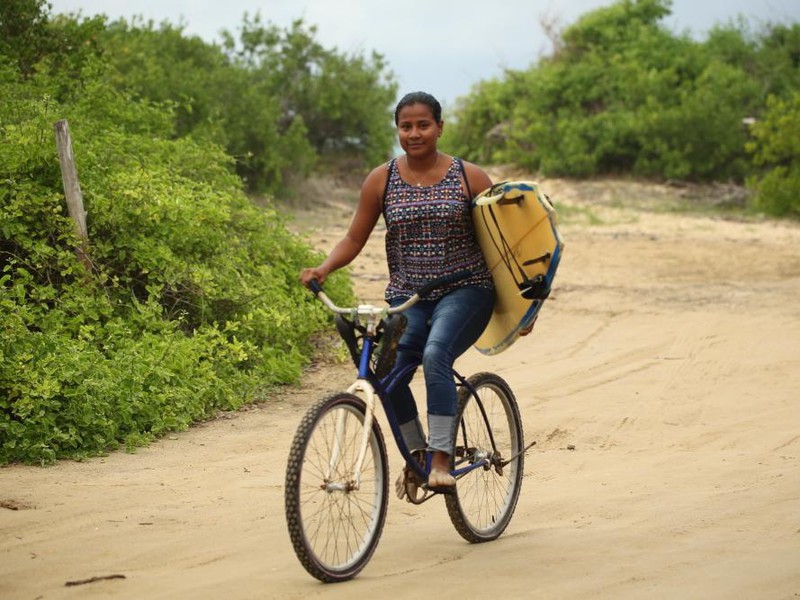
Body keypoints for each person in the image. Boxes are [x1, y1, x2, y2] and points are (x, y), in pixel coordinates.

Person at [299, 91, 495, 496]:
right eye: (406, 126)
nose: (415, 133)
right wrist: (324, 267)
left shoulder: (469, 177)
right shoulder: (381, 179)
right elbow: (355, 237)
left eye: (423, 124)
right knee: (388, 375)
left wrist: (525, 308)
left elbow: (503, 243)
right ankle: (418, 453)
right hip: (407, 297)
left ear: (440, 127)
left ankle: (441, 458)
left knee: (435, 354)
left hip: (466, 289)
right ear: (398, 131)